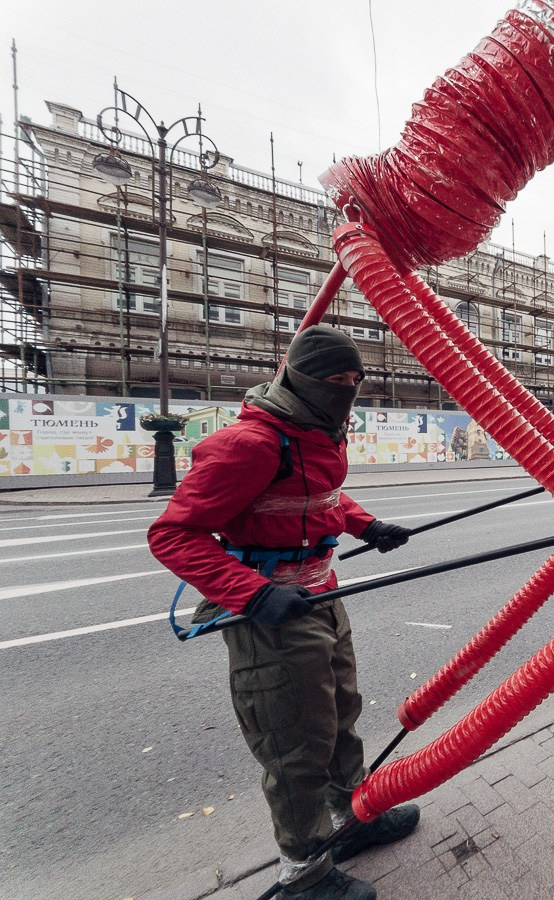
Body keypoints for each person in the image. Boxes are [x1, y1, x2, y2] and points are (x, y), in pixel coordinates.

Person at [148, 326, 418, 900]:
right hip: (270, 617)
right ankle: (303, 873)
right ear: (296, 375)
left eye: (353, 382)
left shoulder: (318, 433)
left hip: (322, 597)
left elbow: (320, 495)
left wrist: (367, 525)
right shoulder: (249, 444)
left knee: (340, 714)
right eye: (333, 381)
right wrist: (253, 594)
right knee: (295, 741)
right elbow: (173, 534)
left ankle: (350, 821)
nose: (344, 392)